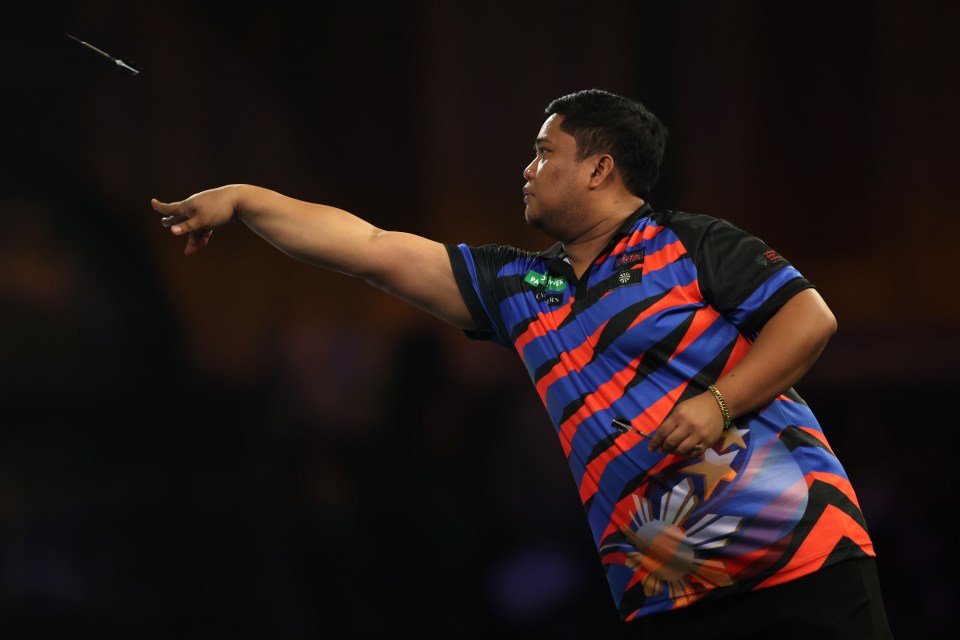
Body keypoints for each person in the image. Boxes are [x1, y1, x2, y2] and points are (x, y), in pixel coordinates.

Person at [151, 88, 893, 638]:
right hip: (666, 594)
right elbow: (372, 249)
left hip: (802, 562)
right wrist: (245, 200)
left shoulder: (691, 242)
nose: (528, 168)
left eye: (545, 151)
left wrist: (719, 403)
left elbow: (809, 320)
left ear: (600, 168)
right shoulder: (520, 289)